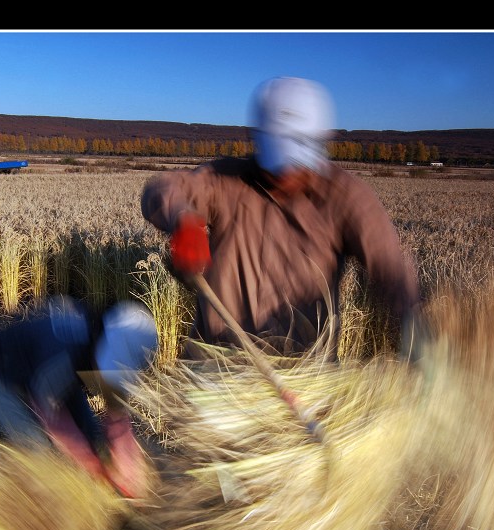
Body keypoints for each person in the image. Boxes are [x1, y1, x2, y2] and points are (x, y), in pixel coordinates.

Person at [141, 76, 426, 361]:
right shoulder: (224, 180)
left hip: (306, 379)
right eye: (278, 162)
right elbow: (162, 190)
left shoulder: (345, 198)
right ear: (257, 141)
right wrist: (183, 218)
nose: (287, 175)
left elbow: (390, 267)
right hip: (218, 369)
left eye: (297, 162)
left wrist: (418, 325)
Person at [0, 296, 159, 499]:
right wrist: (96, 468)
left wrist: (131, 469)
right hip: (1, 375)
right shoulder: (62, 356)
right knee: (42, 455)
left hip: (53, 378)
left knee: (92, 436)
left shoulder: (103, 337)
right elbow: (55, 421)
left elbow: (117, 419)